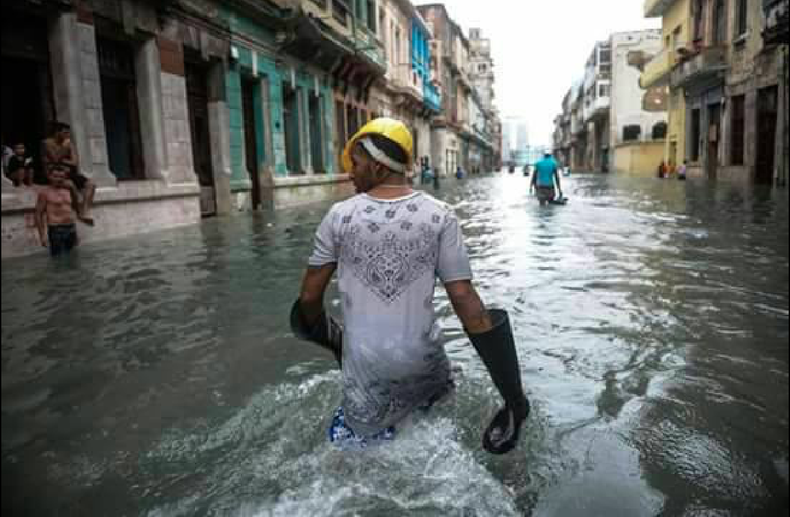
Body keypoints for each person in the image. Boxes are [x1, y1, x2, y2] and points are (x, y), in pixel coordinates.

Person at [290, 118, 530, 453]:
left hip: (368, 379)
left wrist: (336, 341)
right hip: (425, 368)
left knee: (359, 458)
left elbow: (309, 298)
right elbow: (464, 299)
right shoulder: (441, 215)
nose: (350, 173)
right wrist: (513, 398)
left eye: (356, 165)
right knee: (435, 444)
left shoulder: (338, 216)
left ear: (376, 166)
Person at [42, 122, 95, 225]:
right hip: (53, 174)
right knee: (71, 185)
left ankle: (85, 211)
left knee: (91, 184)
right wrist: (64, 149)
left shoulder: (69, 143)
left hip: (68, 173)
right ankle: (78, 212)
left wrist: (63, 161)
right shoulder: (46, 143)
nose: (68, 136)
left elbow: (74, 162)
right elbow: (55, 159)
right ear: (57, 132)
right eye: (65, 133)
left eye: (68, 133)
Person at [35, 164, 80, 257]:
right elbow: (38, 214)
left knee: (73, 257)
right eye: (55, 176)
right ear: (50, 176)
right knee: (57, 259)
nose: (58, 179)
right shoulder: (45, 192)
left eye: (61, 177)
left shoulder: (68, 190)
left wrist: (73, 188)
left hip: (71, 227)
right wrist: (42, 236)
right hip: (56, 229)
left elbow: (75, 208)